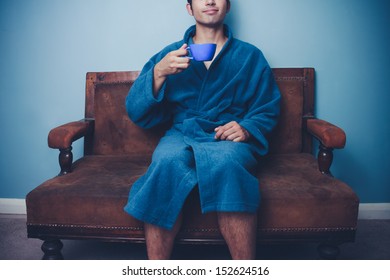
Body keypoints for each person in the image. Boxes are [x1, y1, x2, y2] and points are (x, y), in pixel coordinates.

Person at [124, 0, 281, 260]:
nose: (209, 1)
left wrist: (247, 127)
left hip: (226, 134)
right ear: (189, 8)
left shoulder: (250, 56)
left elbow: (268, 105)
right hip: (182, 131)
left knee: (228, 161)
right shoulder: (171, 53)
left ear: (227, 7)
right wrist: (158, 73)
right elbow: (136, 110)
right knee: (166, 161)